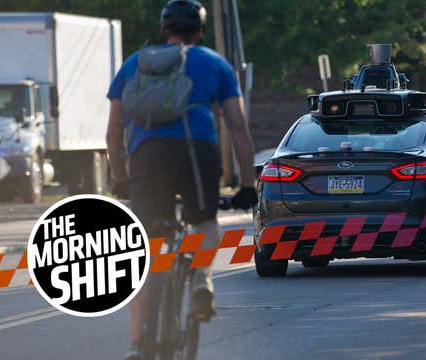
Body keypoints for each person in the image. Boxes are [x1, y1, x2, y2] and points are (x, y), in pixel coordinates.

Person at [105, 0, 257, 358]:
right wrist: (248, 184)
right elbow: (237, 126)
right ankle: (202, 280)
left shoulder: (134, 64)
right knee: (204, 221)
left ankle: (138, 343)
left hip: (147, 160)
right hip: (195, 153)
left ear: (163, 30)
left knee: (146, 255)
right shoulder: (214, 63)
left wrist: (121, 178)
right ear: (200, 32)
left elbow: (113, 131)